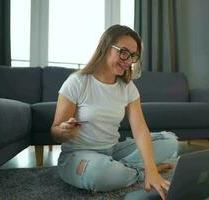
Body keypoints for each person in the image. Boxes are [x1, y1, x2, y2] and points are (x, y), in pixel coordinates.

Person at [50, 24, 178, 200]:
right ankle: (137, 173)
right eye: (123, 52)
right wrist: (63, 130)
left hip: (112, 151)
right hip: (76, 155)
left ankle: (121, 170)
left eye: (133, 56)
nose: (128, 60)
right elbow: (55, 132)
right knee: (97, 173)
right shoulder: (77, 82)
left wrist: (150, 166)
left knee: (170, 141)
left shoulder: (127, 87)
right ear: (105, 47)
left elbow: (140, 129)